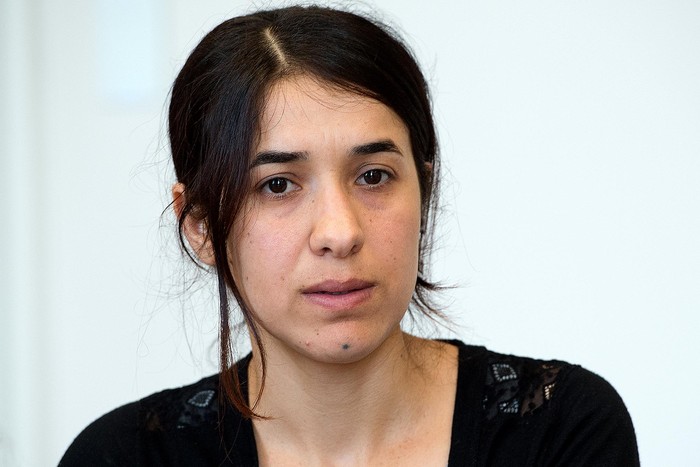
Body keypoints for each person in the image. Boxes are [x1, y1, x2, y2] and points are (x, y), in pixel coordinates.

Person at [61, 5, 639, 466]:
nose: (339, 233)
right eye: (279, 185)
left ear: (425, 190)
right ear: (203, 226)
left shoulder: (562, 430)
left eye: (374, 176)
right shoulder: (122, 455)